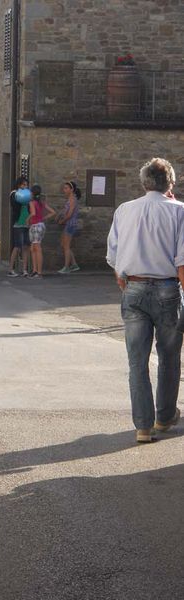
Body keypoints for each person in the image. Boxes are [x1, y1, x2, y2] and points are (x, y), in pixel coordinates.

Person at [106, 157, 184, 443]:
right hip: (167, 289)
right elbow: (182, 262)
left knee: (137, 362)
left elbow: (114, 256)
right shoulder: (179, 211)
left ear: (143, 183)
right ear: (170, 184)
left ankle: (143, 425)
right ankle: (164, 417)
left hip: (133, 287)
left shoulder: (125, 210)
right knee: (169, 358)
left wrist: (124, 281)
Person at [27, 184, 56, 278]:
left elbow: (33, 213)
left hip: (35, 226)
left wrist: (27, 220)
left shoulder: (32, 202)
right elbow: (53, 212)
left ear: (32, 193)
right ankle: (35, 270)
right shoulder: (41, 202)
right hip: (40, 225)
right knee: (33, 248)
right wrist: (44, 218)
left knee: (37, 248)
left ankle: (38, 272)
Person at [7, 176, 30, 277]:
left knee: (26, 246)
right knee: (17, 246)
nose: (25, 186)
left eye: (26, 185)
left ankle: (25, 269)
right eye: (23, 184)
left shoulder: (28, 195)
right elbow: (15, 205)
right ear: (19, 185)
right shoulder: (14, 194)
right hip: (18, 223)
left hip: (26, 223)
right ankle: (11, 269)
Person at [57, 181, 80, 274]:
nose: (64, 190)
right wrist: (59, 215)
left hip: (70, 224)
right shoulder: (70, 199)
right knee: (64, 244)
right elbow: (65, 211)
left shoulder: (72, 199)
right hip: (68, 224)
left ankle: (66, 267)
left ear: (72, 189)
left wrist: (62, 221)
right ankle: (74, 264)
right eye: (64, 188)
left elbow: (70, 214)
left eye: (66, 188)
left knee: (66, 246)